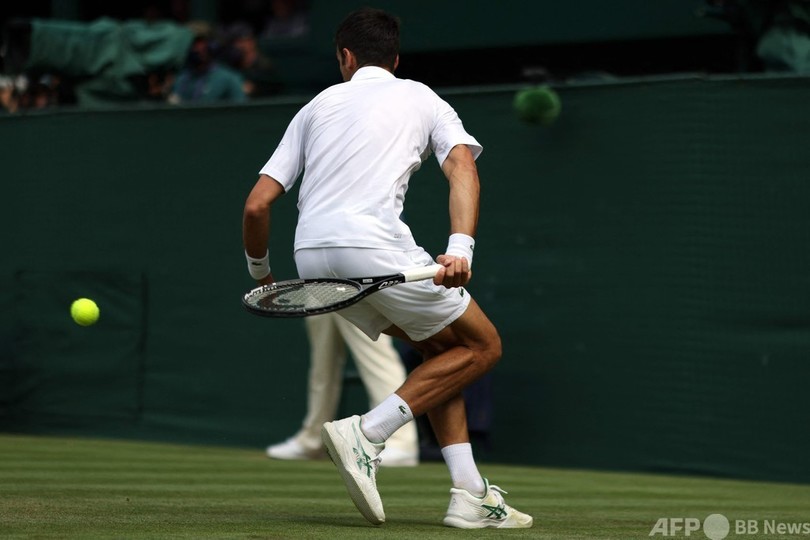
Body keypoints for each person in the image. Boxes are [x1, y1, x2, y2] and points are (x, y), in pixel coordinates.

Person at [242, 7, 532, 529]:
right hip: (372, 246)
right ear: (395, 60)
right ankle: (368, 433)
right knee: (483, 346)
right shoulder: (422, 96)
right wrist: (460, 248)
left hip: (312, 258)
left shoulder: (315, 106)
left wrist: (263, 277)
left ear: (345, 58)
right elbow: (462, 166)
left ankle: (469, 494)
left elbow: (257, 206)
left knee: (441, 353)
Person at [266, 313, 419, 467]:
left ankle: (399, 441)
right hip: (319, 297)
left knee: (375, 355)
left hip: (355, 297)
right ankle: (313, 439)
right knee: (322, 362)